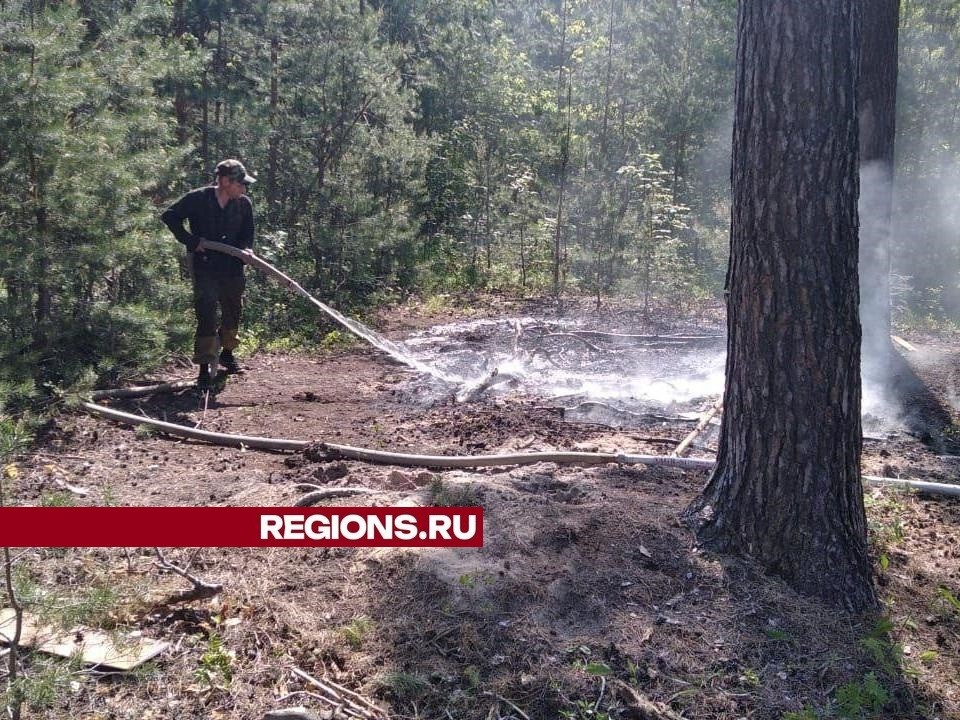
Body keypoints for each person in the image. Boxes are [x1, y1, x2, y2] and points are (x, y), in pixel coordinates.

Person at [161, 159, 256, 388]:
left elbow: (247, 234)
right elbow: (169, 216)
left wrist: (247, 250)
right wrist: (192, 241)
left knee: (233, 310)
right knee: (206, 312)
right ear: (225, 181)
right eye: (240, 184)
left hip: (233, 267)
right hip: (205, 267)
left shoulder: (244, 204)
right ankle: (204, 367)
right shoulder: (198, 199)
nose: (244, 189)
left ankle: (227, 354)